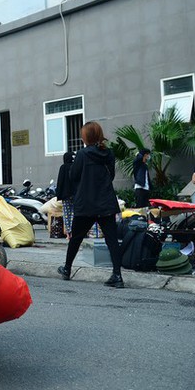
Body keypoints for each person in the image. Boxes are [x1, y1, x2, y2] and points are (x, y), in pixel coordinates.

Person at [58, 121, 124, 289]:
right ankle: (117, 275)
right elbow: (111, 176)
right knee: (111, 240)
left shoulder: (82, 154)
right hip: (106, 203)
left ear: (85, 137)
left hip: (86, 203)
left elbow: (74, 176)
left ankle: (67, 269)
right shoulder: (108, 153)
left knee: (77, 238)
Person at [55, 151, 76, 238]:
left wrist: (58, 194)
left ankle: (68, 234)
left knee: (67, 214)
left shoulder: (63, 168)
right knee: (74, 213)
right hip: (75, 195)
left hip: (65, 195)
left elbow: (60, 182)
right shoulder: (75, 167)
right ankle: (75, 231)